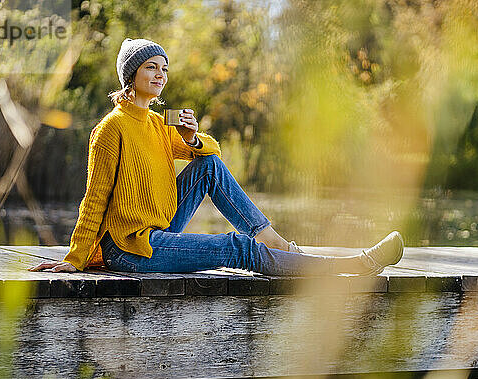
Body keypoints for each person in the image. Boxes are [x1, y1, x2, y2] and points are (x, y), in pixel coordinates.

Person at [28, 38, 404, 276]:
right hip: (128, 247)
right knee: (236, 248)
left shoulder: (159, 124)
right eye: (151, 67)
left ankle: (275, 243)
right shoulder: (111, 129)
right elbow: (94, 198)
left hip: (157, 231)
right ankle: (355, 266)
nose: (160, 75)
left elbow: (213, 154)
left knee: (206, 166)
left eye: (164, 69)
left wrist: (191, 139)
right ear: (131, 75)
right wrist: (75, 258)